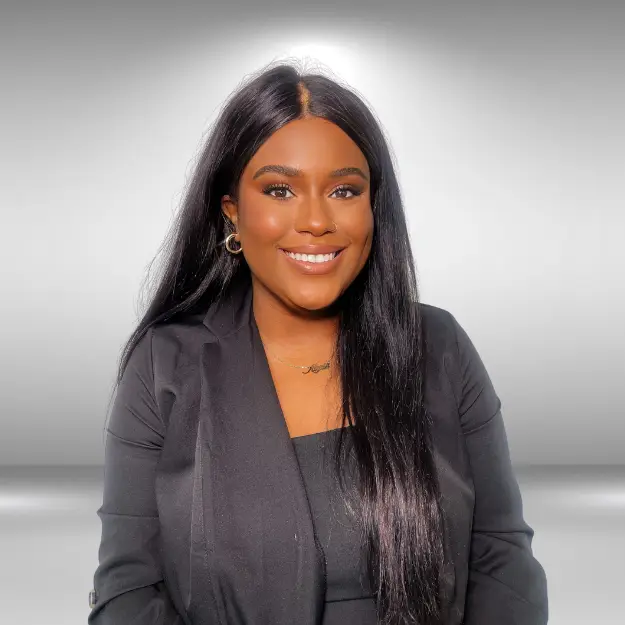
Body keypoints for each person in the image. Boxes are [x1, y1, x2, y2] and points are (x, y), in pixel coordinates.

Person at [88, 61, 549, 625]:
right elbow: (128, 592)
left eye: (343, 190)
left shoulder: (439, 346)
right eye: (279, 189)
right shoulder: (164, 365)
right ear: (231, 210)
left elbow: (502, 558)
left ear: (372, 207)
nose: (315, 221)